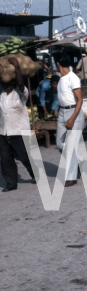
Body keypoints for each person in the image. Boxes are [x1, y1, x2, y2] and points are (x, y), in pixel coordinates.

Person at [0, 57, 36, 192]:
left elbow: (21, 82)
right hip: (3, 131)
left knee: (25, 157)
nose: (5, 85)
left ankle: (36, 174)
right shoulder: (1, 93)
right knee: (5, 159)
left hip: (19, 131)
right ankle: (11, 184)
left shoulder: (21, 93)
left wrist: (16, 66)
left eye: (8, 83)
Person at [55, 52, 85, 187]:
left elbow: (80, 100)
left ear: (58, 64)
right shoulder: (61, 78)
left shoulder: (73, 78)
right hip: (62, 112)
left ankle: (71, 177)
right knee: (60, 144)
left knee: (70, 145)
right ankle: (77, 164)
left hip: (73, 112)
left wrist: (72, 118)